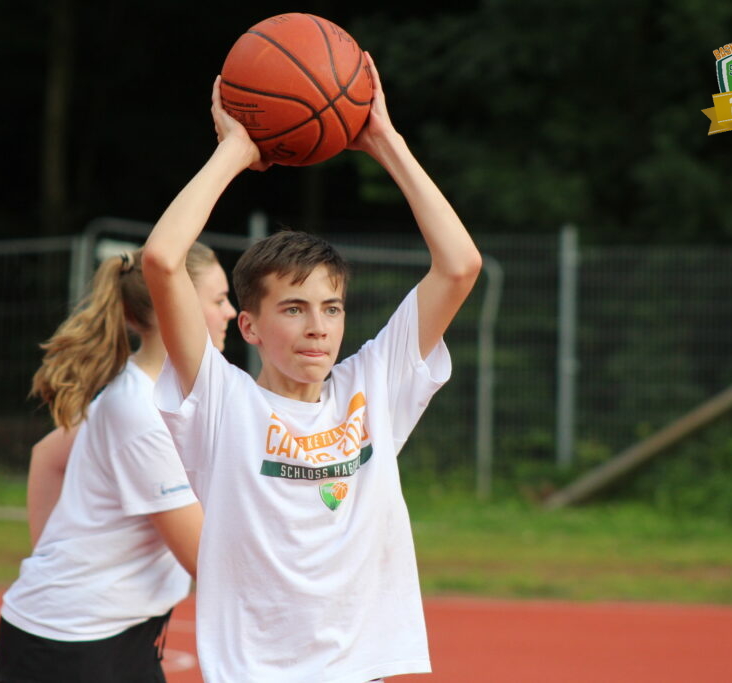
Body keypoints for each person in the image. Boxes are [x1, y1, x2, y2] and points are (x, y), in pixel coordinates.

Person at [142, 52, 482, 683]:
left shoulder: (373, 385)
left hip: (359, 671)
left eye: (331, 308)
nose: (318, 327)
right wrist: (235, 150)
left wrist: (383, 139)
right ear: (249, 327)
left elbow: (460, 266)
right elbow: (162, 259)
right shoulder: (221, 401)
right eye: (294, 309)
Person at [0, 243, 236, 683]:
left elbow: (46, 456)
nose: (231, 312)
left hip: (109, 634)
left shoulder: (159, 393)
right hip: (71, 644)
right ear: (174, 304)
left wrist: (54, 558)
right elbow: (207, 560)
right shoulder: (140, 413)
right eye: (218, 300)